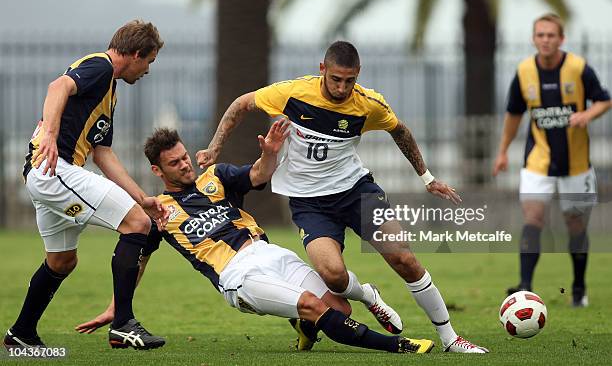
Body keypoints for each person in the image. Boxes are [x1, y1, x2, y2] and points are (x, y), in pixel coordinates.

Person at [195, 41, 488, 353]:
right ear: (322, 69)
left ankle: (450, 338)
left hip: (355, 192)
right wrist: (214, 147)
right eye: (336, 79)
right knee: (333, 276)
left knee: (403, 257)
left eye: (349, 80)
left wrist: (427, 178)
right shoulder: (293, 93)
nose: (342, 87)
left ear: (357, 74)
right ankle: (367, 295)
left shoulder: (367, 104)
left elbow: (400, 131)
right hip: (309, 203)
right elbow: (241, 104)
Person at [76, 122, 436, 354]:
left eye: (185, 157)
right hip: (239, 277)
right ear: (157, 170)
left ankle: (354, 302)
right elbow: (139, 259)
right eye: (175, 163)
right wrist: (117, 307)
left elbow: (260, 175)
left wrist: (270, 153)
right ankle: (398, 347)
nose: (185, 165)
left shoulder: (215, 177)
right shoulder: (159, 211)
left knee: (340, 307)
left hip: (268, 252)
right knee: (316, 306)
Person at [3, 20, 168, 351]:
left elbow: (102, 153)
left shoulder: (110, 92)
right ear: (136, 54)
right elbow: (57, 87)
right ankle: (123, 325)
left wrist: (141, 196)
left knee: (62, 261)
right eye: (149, 61)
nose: (148, 69)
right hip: (55, 171)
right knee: (138, 225)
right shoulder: (100, 67)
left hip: (51, 175)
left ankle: (21, 334)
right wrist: (49, 134)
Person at [493, 13, 610, 306]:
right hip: (538, 162)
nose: (545, 40)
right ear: (534, 39)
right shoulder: (523, 72)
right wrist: (503, 151)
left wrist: (587, 114)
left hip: (577, 164)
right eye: (540, 35)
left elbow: (605, 100)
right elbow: (513, 115)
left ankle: (579, 288)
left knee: (575, 227)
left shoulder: (579, 68)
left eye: (551, 35)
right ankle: (525, 287)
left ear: (561, 39)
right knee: (533, 218)